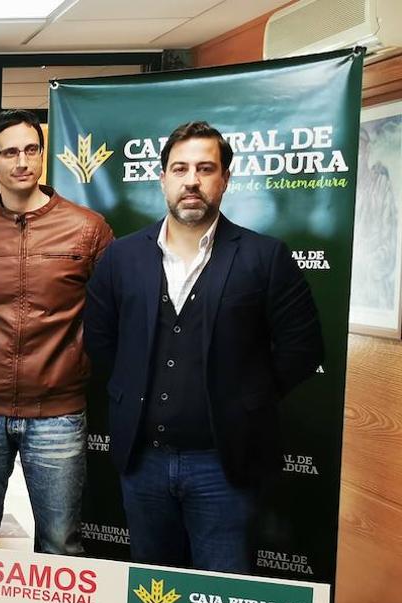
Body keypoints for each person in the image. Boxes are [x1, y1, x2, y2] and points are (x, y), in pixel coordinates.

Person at [84, 120, 323, 574]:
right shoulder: (122, 257)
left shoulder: (265, 256)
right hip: (143, 462)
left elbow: (302, 348)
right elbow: (101, 339)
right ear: (163, 179)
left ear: (225, 179)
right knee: (153, 593)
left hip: (225, 466)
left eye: (205, 168)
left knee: (224, 595)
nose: (191, 180)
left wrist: (249, 398)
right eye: (180, 169)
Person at [0, 109, 113, 554]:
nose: (22, 162)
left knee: (60, 544)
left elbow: (107, 316)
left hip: (58, 412)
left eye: (32, 150)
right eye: (10, 152)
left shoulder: (87, 229)